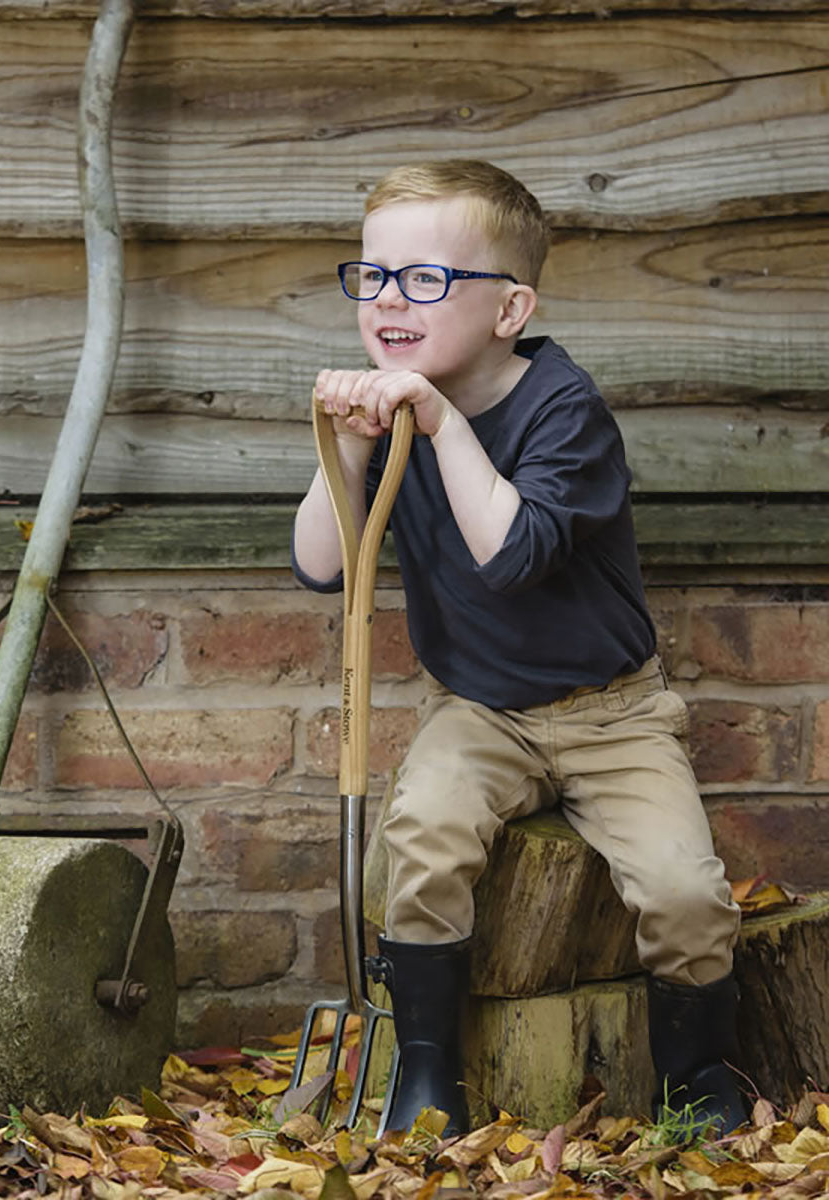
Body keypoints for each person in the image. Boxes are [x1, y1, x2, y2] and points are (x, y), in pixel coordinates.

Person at [291, 160, 746, 1138]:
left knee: (682, 889)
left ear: (510, 308)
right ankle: (427, 1070)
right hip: (481, 709)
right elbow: (321, 565)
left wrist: (443, 424)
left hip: (610, 712)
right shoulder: (393, 411)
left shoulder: (562, 410)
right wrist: (352, 445)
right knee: (423, 835)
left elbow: (512, 557)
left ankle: (695, 1071)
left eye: (424, 279)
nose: (387, 301)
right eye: (371, 277)